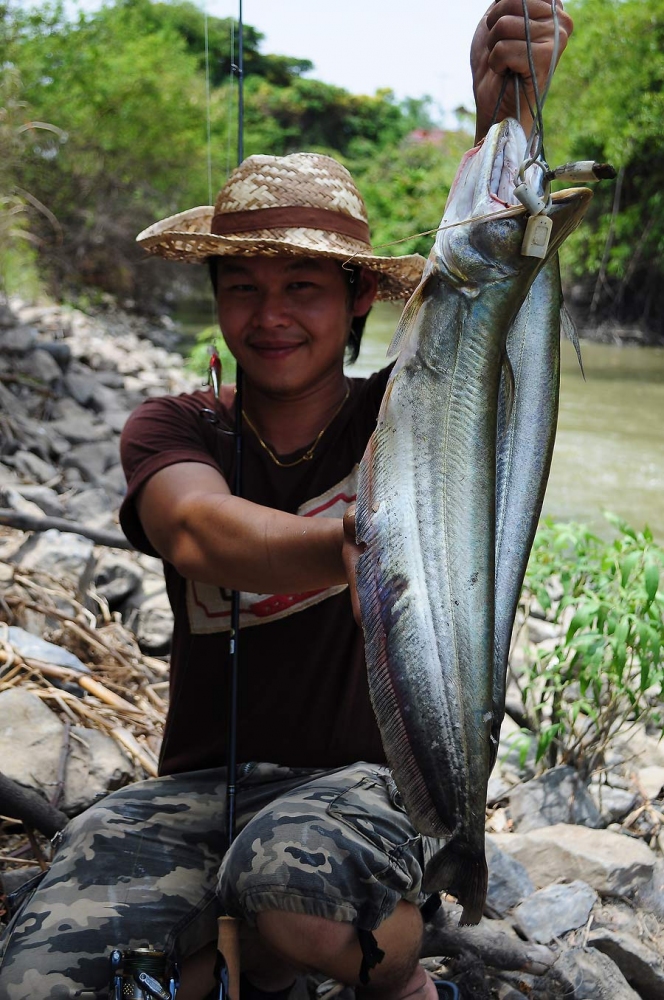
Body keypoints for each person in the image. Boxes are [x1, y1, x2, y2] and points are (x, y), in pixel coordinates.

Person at [0, 3, 572, 998]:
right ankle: (232, 960)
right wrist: (358, 539)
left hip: (361, 793)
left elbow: (490, 307)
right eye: (242, 285)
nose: (269, 316)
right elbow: (198, 527)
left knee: (295, 898)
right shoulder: (172, 426)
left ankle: (396, 974)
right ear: (214, 299)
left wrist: (502, 122)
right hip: (189, 796)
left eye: (303, 286)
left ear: (359, 298)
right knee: (42, 978)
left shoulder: (420, 414)